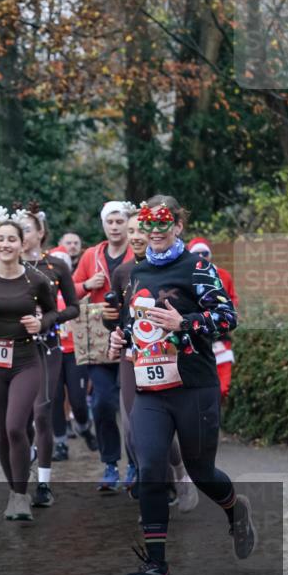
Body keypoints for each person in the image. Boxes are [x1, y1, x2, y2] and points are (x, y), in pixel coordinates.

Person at [108, 195, 254, 575]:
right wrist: (119, 338)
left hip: (194, 386)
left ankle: (234, 509)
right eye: (148, 224)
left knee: (201, 471)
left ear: (177, 226)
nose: (154, 232)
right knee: (150, 465)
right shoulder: (136, 271)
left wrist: (184, 321)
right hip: (151, 388)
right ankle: (158, 567)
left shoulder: (197, 267)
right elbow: (131, 323)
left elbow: (227, 318)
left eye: (163, 224)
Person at [0, 207, 57, 521]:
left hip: (25, 360)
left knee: (16, 426)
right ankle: (14, 490)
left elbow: (54, 312)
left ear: (22, 244)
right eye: (0, 239)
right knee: (1, 434)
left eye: (11, 239)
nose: (5, 244)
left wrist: (40, 322)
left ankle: (20, 497)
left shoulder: (37, 279)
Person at [103, 212, 198, 509]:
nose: (136, 235)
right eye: (132, 230)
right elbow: (120, 320)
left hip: (166, 357)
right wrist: (111, 327)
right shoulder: (123, 272)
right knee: (133, 432)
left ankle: (178, 476)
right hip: (132, 359)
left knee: (161, 427)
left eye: (141, 229)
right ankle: (158, 490)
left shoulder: (178, 268)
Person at [18, 203, 79, 507]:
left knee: (42, 413)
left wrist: (48, 318)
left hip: (47, 348)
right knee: (18, 419)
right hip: (12, 350)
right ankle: (20, 474)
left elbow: (74, 307)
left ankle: (43, 484)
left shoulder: (57, 266)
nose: (21, 234)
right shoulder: (2, 266)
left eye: (27, 228)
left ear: (41, 232)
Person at [72, 201, 135, 492]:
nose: (115, 227)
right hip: (97, 341)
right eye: (109, 222)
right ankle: (110, 465)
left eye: (119, 221)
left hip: (131, 337)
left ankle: (135, 464)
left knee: (133, 409)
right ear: (103, 225)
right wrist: (87, 284)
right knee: (102, 403)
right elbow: (69, 290)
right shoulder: (90, 255)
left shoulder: (138, 251)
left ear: (127, 224)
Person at [47, 245, 96, 460]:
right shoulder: (42, 290)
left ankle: (84, 426)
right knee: (55, 399)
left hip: (75, 352)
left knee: (78, 400)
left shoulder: (76, 290)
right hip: (52, 351)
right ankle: (60, 444)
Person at [187, 237, 239, 399]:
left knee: (223, 386)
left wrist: (230, 313)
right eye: (197, 254)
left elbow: (232, 299)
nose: (201, 257)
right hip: (194, 337)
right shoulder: (184, 276)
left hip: (219, 336)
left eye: (205, 253)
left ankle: (214, 412)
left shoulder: (223, 275)